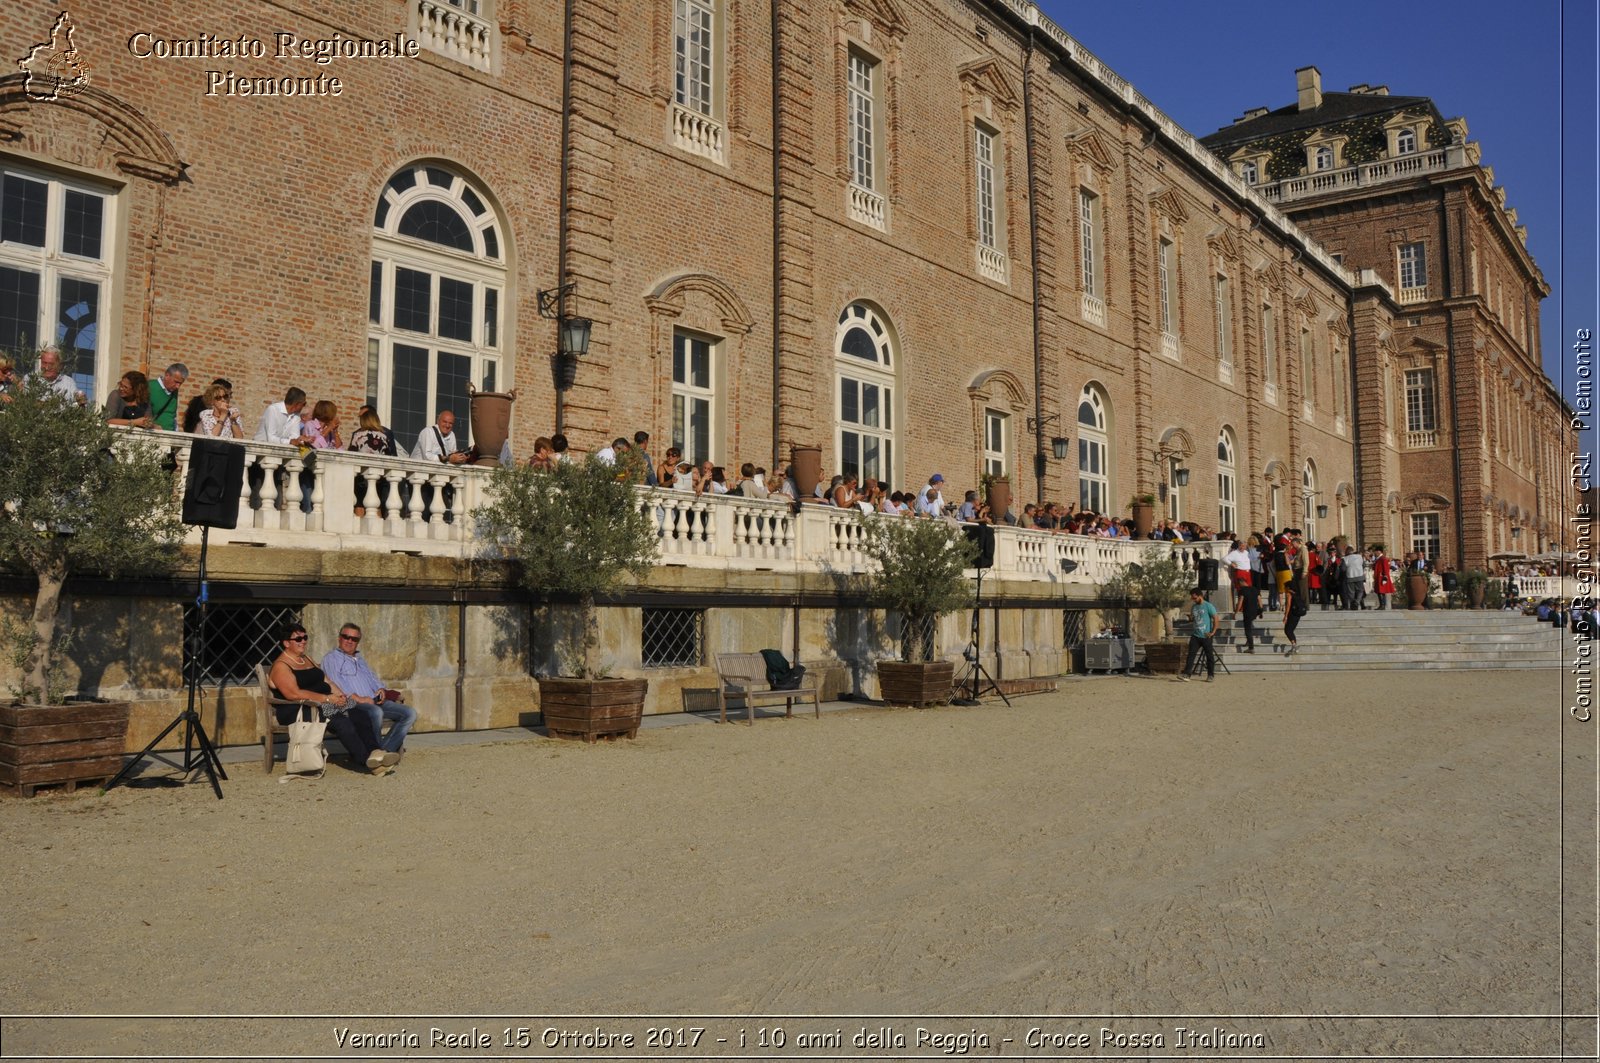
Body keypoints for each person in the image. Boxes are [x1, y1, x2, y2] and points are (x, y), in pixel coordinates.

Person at [268, 623, 397, 774]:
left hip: (321, 704)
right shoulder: (281, 666)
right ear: (286, 643)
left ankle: (376, 752)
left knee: (358, 711)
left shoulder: (306, 659)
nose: (303, 641)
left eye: (305, 637)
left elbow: (327, 680)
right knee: (342, 721)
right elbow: (294, 694)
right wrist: (328, 699)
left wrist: (341, 696)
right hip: (300, 709)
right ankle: (367, 761)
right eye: (298, 639)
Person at [320, 623, 416, 757]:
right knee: (375, 712)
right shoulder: (331, 659)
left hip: (375, 701)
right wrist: (359, 699)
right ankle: (374, 754)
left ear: (358, 642)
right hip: (353, 704)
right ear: (339, 638)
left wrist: (381, 688)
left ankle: (384, 752)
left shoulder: (359, 659)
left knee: (409, 713)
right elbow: (336, 685)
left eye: (354, 639)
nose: (349, 641)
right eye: (346, 637)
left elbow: (373, 677)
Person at [1177, 587, 1217, 682]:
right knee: (1191, 655)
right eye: (1192, 598)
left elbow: (1216, 618)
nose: (1193, 600)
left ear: (1200, 596)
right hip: (1195, 635)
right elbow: (1194, 619)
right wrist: (1190, 618)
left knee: (1209, 656)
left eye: (1195, 598)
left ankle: (1210, 675)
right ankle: (1187, 674)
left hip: (1206, 635)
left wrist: (1213, 632)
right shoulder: (1194, 607)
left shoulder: (1208, 606)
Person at [147, 363, 189, 430]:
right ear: (167, 375)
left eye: (180, 383)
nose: (178, 386)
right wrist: (153, 426)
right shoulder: (149, 387)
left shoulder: (174, 390)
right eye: (176, 382)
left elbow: (172, 415)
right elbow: (140, 414)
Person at [1223, 538, 1251, 613]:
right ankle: (1240, 607)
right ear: (1239, 545)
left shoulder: (1246, 552)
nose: (1243, 547)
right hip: (1240, 572)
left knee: (1248, 591)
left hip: (1247, 572)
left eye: (1244, 546)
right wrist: (1231, 564)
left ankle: (1246, 606)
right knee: (1241, 591)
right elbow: (1225, 559)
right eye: (1241, 546)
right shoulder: (1234, 553)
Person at [1341, 545, 1367, 611]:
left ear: (1347, 552)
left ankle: (1353, 605)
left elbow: (1343, 569)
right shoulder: (1359, 556)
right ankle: (1357, 602)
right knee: (1360, 591)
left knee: (1351, 592)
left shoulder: (1345, 558)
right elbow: (1363, 565)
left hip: (1350, 576)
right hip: (1359, 576)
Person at [1372, 545, 1395, 610]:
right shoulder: (1379, 558)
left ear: (1379, 551)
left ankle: (1383, 605)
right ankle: (1381, 605)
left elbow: (1385, 569)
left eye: (1375, 551)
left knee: (1382, 592)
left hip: (1381, 577)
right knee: (1379, 592)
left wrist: (1385, 577)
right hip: (1378, 577)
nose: (1374, 553)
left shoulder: (1383, 559)